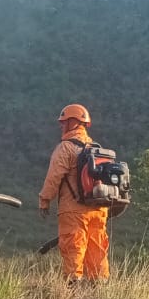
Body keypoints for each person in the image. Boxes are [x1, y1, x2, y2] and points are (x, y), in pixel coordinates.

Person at [38, 103, 110, 283]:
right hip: (98, 208)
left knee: (73, 248)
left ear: (74, 123)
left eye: (64, 122)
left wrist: (45, 200)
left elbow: (54, 177)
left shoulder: (66, 148)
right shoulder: (97, 149)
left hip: (74, 209)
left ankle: (73, 290)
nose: (61, 126)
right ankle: (100, 291)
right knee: (97, 250)